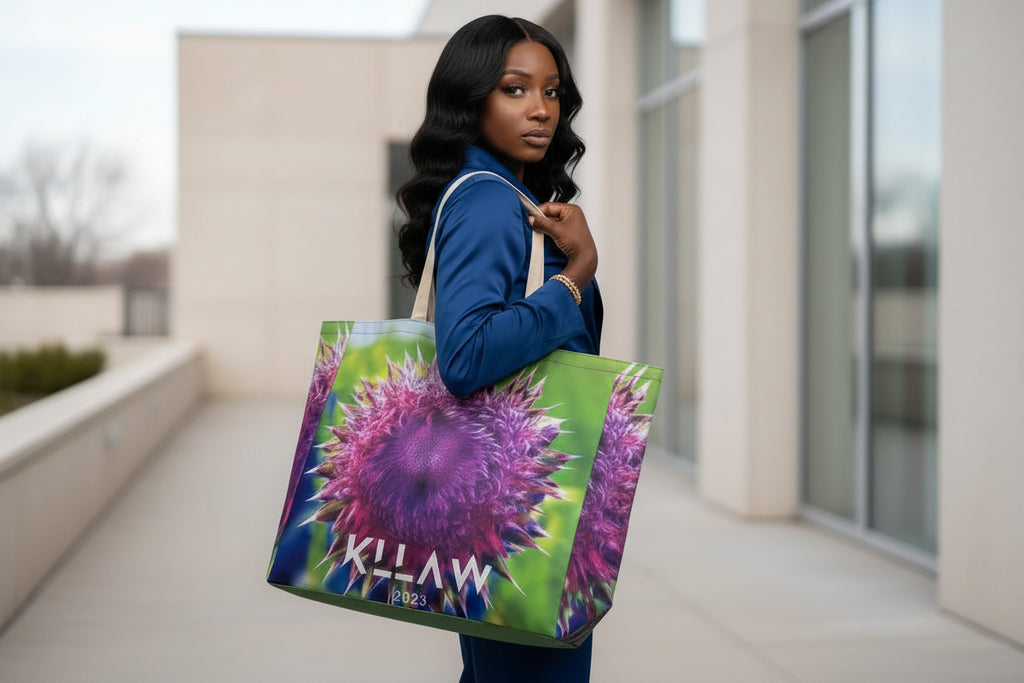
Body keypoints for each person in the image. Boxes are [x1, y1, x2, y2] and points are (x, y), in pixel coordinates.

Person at [396, 14, 601, 683]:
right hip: (517, 514)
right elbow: (466, 356)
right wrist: (574, 277)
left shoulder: (509, 198)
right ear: (471, 99)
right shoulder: (489, 204)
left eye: (552, 91)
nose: (541, 109)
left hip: (498, 506)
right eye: (516, 90)